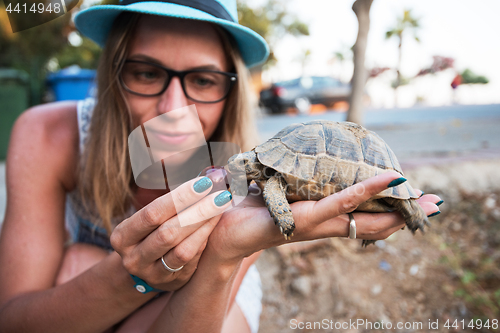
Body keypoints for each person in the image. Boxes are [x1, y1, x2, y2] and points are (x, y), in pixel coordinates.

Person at [0, 0, 443, 332]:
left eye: (202, 80)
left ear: (231, 90)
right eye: (146, 73)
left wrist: (225, 254)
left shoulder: (241, 169)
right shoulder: (49, 135)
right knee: (76, 262)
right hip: (96, 294)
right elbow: (14, 319)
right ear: (112, 72)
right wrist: (130, 277)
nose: (171, 108)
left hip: (200, 306)